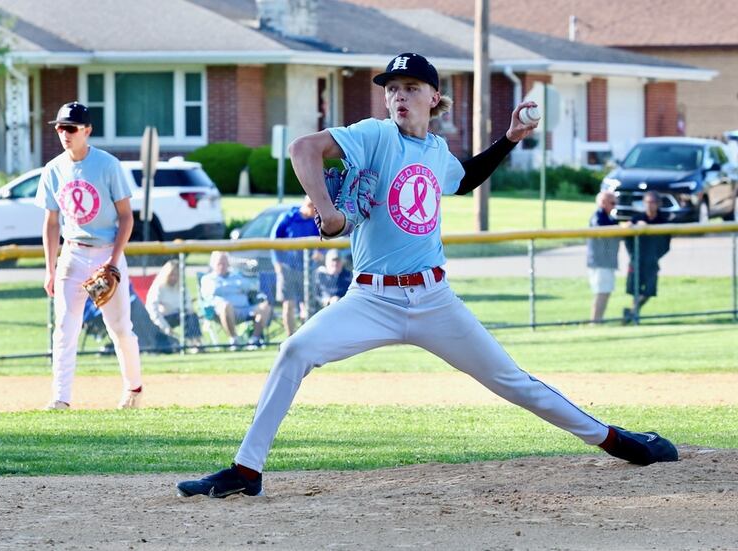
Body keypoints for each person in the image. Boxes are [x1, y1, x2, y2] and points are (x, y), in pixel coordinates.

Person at [176, 52, 677, 499]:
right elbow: (304, 149)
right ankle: (247, 470)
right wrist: (328, 210)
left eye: (411, 88)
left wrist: (508, 139)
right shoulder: (372, 135)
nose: (398, 96)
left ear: (434, 97)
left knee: (512, 381)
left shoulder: (436, 152)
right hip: (371, 300)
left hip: (435, 300)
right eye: (392, 88)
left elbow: (466, 177)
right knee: (295, 351)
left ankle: (617, 440)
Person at [36, 101, 143, 410]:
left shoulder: (107, 165)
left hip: (107, 254)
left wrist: (113, 261)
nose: (63, 133)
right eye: (59, 128)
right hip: (72, 254)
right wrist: (49, 269)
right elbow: (51, 222)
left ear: (87, 131)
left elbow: (126, 217)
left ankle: (134, 389)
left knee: (120, 329)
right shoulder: (53, 169)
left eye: (70, 128)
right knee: (66, 327)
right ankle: (61, 398)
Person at [200, 251, 272, 347]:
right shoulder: (207, 279)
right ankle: (234, 340)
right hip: (222, 311)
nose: (222, 266)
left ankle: (254, 339)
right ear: (212, 264)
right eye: (219, 263)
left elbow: (252, 287)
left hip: (245, 309)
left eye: (225, 263)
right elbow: (207, 296)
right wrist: (234, 287)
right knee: (226, 305)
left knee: (265, 307)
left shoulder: (237, 275)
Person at [271, 196, 320, 336]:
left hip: (307, 269)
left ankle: (306, 336)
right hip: (287, 268)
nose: (316, 212)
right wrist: (277, 263)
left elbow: (323, 239)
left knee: (308, 305)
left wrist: (320, 252)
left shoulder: (315, 221)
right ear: (308, 205)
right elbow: (274, 240)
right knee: (289, 304)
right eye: (314, 208)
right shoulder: (288, 217)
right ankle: (289, 336)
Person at [623, 190, 671, 322]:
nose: (650, 205)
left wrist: (655, 255)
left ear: (658, 204)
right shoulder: (637, 219)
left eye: (653, 202)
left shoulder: (663, 221)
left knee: (649, 290)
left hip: (652, 261)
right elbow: (627, 239)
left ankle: (631, 313)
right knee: (635, 291)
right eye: (647, 202)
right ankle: (634, 316)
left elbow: (666, 244)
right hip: (636, 260)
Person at [145, 259, 203, 349]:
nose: (174, 278)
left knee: (192, 316)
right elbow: (152, 309)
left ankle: (196, 344)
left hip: (180, 315)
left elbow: (188, 305)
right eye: (171, 275)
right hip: (162, 319)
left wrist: (186, 310)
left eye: (176, 275)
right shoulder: (158, 287)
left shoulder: (181, 286)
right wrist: (165, 327)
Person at [586, 191, 620, 323]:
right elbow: (600, 228)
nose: (614, 206)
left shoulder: (608, 217)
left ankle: (598, 319)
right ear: (603, 202)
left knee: (605, 291)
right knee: (601, 292)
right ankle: (595, 320)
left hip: (607, 262)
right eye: (612, 203)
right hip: (600, 262)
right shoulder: (598, 217)